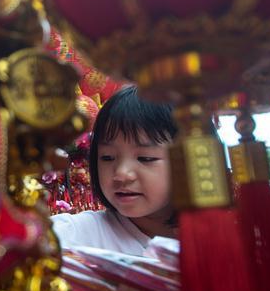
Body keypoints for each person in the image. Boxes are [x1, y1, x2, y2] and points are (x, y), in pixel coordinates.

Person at [52, 86, 177, 255]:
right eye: (108, 158)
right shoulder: (76, 236)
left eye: (145, 158)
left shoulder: (218, 240)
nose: (121, 174)